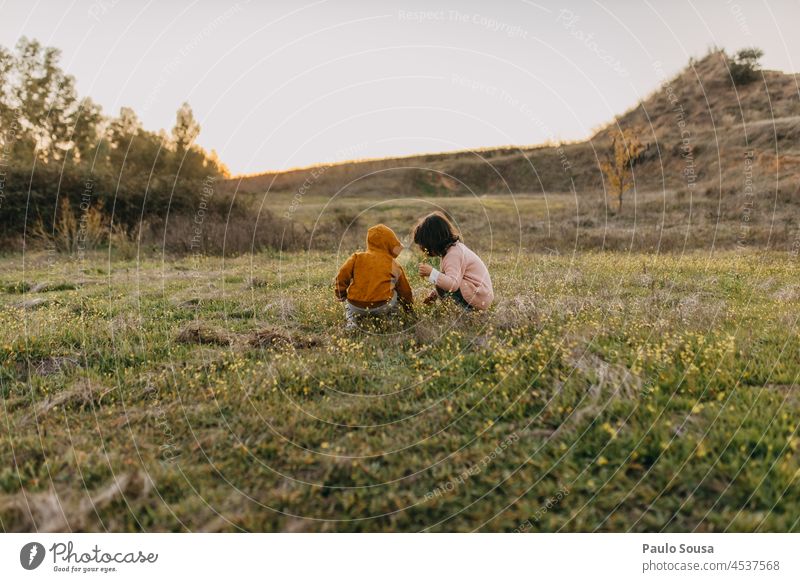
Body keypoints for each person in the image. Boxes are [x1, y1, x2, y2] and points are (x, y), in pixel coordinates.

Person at [334, 224, 413, 328]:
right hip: (383, 305)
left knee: (349, 307)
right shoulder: (393, 264)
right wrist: (409, 309)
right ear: (390, 244)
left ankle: (352, 322)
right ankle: (392, 319)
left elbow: (341, 276)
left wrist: (341, 294)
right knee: (397, 292)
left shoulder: (356, 257)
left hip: (356, 305)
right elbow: (405, 291)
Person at [412, 212, 494, 310]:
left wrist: (431, 273)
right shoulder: (453, 250)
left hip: (477, 297)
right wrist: (435, 294)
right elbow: (451, 277)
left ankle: (462, 313)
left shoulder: (453, 255)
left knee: (440, 280)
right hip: (480, 295)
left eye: (424, 245)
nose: (423, 249)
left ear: (434, 241)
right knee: (441, 280)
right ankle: (453, 309)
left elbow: (453, 285)